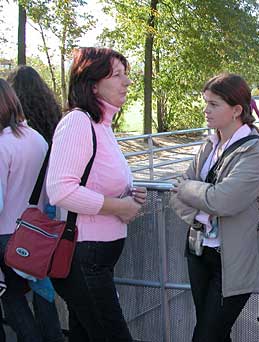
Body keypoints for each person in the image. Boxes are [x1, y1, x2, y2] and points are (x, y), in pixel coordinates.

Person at [46, 47, 147, 342]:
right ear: (92, 84)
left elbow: (94, 180)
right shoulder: (78, 122)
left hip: (95, 260)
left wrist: (129, 195)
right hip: (84, 259)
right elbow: (60, 189)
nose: (127, 82)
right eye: (117, 75)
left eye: (125, 75)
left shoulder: (102, 125)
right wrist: (119, 207)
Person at [170, 73, 259, 342]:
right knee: (216, 333)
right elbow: (175, 197)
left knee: (206, 335)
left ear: (237, 110)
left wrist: (188, 191)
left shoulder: (255, 151)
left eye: (214, 104)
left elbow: (223, 200)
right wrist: (203, 209)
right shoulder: (209, 145)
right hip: (199, 251)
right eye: (206, 103)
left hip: (234, 260)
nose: (206, 110)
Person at [7, 65, 65, 342]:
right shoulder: (41, 137)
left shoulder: (5, 143)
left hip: (9, 229)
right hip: (41, 224)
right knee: (42, 289)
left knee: (12, 294)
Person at [0, 79, 48, 341]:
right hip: (34, 234)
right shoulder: (37, 139)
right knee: (34, 298)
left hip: (5, 235)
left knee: (13, 301)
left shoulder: (2, 145)